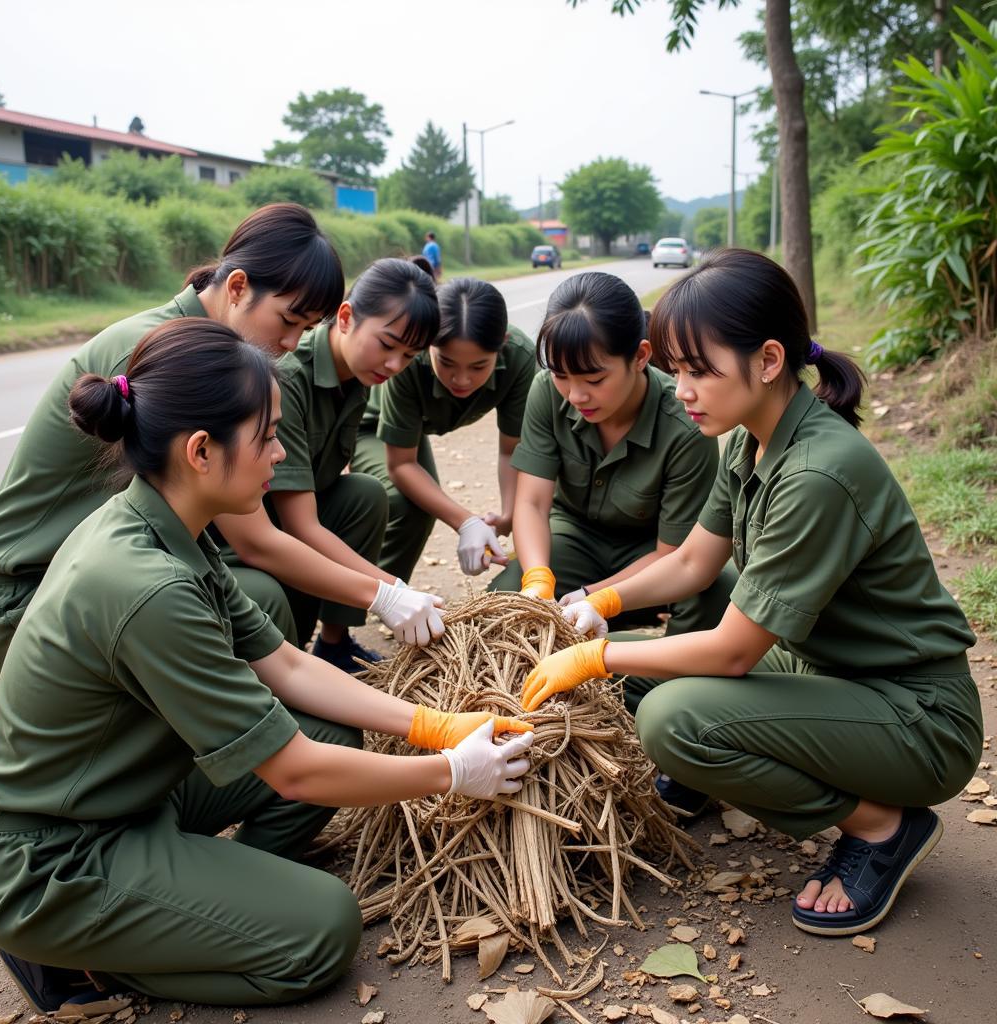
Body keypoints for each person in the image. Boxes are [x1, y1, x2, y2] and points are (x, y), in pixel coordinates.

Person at [0, 320, 534, 1013]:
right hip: (53, 861)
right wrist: (452, 775)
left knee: (332, 734)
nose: (280, 451)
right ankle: (76, 959)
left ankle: (198, 906)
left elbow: (289, 668)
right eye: (267, 435)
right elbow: (291, 772)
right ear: (202, 450)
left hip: (120, 799)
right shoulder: (146, 585)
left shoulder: (166, 525)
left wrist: (438, 725)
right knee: (323, 933)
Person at [521, 249, 983, 937]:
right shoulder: (754, 442)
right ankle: (729, 769)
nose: (682, 389)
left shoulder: (817, 473)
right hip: (829, 676)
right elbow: (693, 567)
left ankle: (883, 826)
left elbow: (735, 652)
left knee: (672, 718)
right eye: (675, 370)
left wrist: (598, 657)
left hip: (916, 717)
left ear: (768, 361)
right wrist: (600, 608)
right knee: (644, 681)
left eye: (699, 370)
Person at [0, 203, 343, 676]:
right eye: (288, 320)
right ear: (237, 288)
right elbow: (255, 542)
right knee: (258, 599)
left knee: (251, 606)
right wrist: (386, 595)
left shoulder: (204, 348)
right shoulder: (165, 355)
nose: (292, 343)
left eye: (306, 330)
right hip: (25, 598)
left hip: (93, 575)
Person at [215, 258, 442, 673]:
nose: (394, 365)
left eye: (409, 356)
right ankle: (290, 659)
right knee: (278, 609)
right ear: (345, 316)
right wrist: (389, 590)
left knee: (364, 496)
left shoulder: (357, 374)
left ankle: (334, 645)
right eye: (387, 344)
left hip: (289, 514)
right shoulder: (289, 373)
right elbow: (301, 526)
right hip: (245, 530)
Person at [489, 271, 735, 641]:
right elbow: (533, 503)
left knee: (716, 593)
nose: (575, 395)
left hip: (651, 552)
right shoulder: (545, 391)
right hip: (572, 536)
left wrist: (596, 598)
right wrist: (537, 579)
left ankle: (649, 680)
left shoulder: (685, 426)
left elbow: (676, 556)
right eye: (561, 375)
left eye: (594, 380)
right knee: (505, 598)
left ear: (639, 356)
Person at [351, 277, 535, 582]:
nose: (461, 379)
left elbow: (512, 449)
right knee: (402, 502)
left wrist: (508, 517)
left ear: (501, 343)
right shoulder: (407, 359)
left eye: (478, 366)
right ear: (428, 345)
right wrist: (465, 522)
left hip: (414, 431)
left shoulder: (520, 357)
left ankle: (388, 596)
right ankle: (369, 601)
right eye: (446, 362)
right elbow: (401, 463)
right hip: (370, 425)